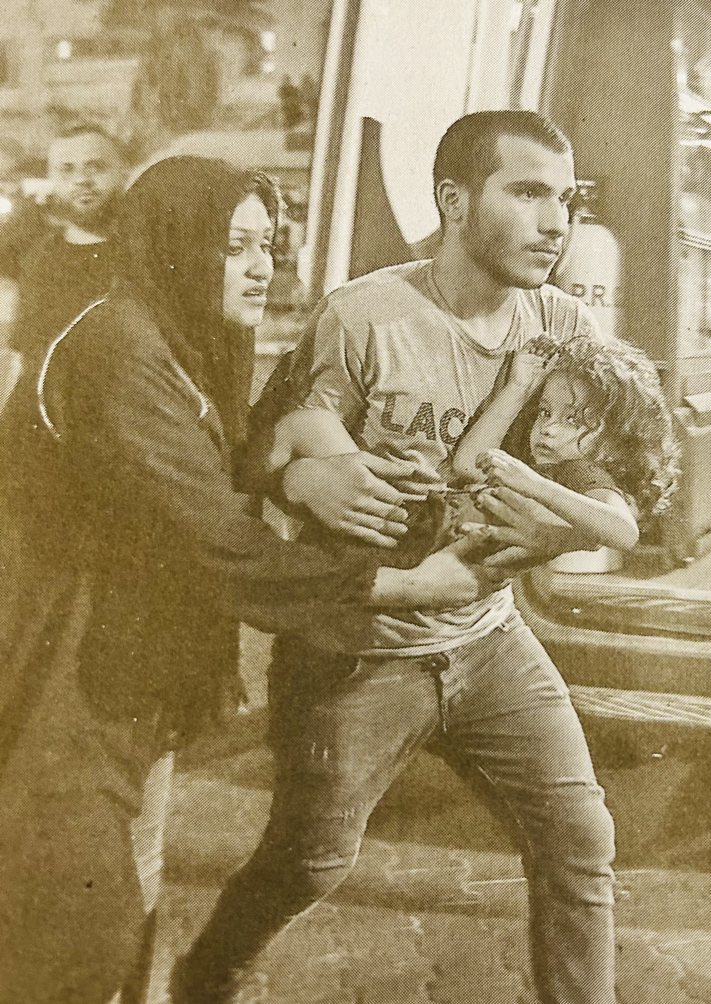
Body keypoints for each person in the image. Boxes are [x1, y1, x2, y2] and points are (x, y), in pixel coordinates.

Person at [0, 155, 499, 1004]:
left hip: (128, 670)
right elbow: (218, 543)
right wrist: (413, 586)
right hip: (60, 669)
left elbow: (216, 470)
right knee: (76, 929)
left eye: (267, 244)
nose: (260, 267)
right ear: (176, 245)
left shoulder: (182, 335)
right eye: (234, 247)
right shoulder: (118, 346)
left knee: (132, 887)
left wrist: (304, 473)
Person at [174, 110, 622, 1004]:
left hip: (489, 638)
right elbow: (259, 456)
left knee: (581, 842)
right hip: (356, 651)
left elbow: (596, 471)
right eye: (528, 194)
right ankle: (205, 979)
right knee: (311, 859)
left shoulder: (563, 322)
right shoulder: (365, 315)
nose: (556, 224)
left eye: (566, 201)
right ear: (454, 201)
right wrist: (305, 479)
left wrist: (572, 526)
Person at [450, 333, 676, 565]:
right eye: (545, 412)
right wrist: (518, 387)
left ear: (615, 443)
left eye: (572, 419)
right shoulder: (544, 467)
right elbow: (468, 464)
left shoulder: (580, 471)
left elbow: (625, 532)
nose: (548, 428)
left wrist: (532, 484)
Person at [0, 123, 127, 389]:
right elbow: (24, 361)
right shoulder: (38, 257)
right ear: (52, 180)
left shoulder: (146, 255)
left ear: (122, 172)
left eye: (96, 167)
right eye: (66, 170)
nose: (81, 180)